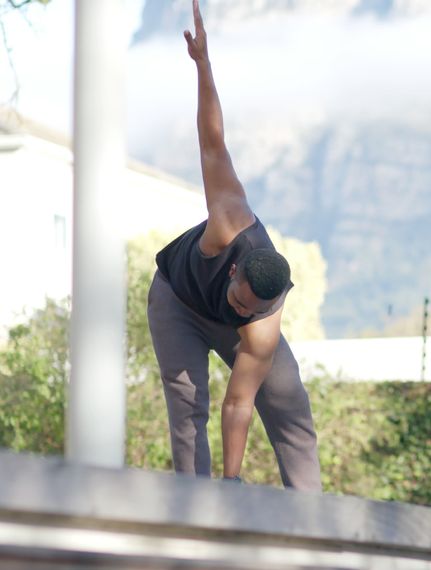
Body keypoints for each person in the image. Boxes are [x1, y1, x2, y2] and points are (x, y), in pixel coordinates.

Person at [146, 0, 321, 491]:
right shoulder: (229, 220)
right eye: (239, 297)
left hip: (241, 334)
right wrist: (203, 66)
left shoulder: (260, 326)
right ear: (234, 270)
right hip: (177, 299)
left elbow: (240, 401)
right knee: (187, 403)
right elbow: (212, 140)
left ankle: (313, 517)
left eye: (248, 308)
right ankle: (196, 506)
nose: (238, 306)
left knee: (288, 400)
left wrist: (234, 479)